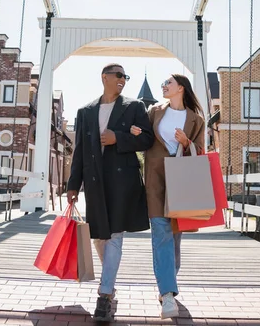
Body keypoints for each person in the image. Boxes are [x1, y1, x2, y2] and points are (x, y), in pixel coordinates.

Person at [66, 63, 155, 321]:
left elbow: (147, 139)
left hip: (122, 182)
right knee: (98, 236)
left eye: (125, 77)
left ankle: (104, 296)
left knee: (115, 234)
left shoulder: (135, 107)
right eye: (118, 75)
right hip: (94, 183)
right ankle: (110, 283)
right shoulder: (85, 111)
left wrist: (119, 138)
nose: (123, 80)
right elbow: (80, 151)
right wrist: (73, 185)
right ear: (104, 77)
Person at [130, 74, 205, 319]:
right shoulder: (154, 111)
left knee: (174, 239)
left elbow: (202, 152)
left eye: (168, 83)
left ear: (180, 88)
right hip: (156, 180)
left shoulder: (196, 120)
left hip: (181, 180)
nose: (164, 86)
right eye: (163, 84)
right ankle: (168, 294)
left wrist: (186, 142)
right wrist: (135, 132)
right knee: (161, 233)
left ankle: (166, 285)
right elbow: (144, 139)